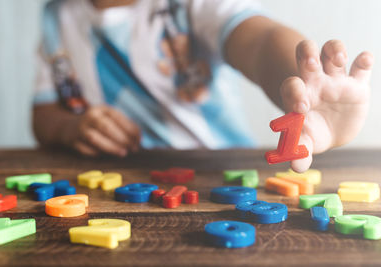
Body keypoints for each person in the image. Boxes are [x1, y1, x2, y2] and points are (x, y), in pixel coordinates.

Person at [33, 0, 374, 173]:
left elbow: (259, 40)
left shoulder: (193, 6)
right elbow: (44, 111)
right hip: (122, 180)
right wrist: (70, 127)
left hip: (221, 173)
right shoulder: (55, 19)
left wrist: (302, 80)